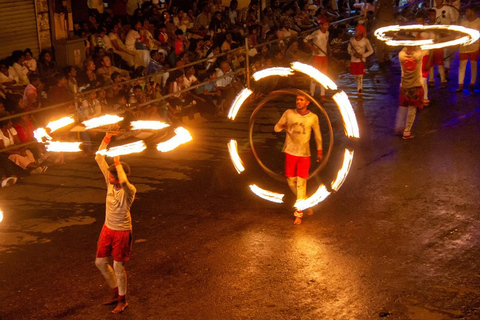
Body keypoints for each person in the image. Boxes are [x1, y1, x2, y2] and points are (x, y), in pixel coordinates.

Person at [95, 132, 136, 314]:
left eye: (112, 176)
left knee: (118, 267)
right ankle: (114, 292)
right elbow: (98, 157)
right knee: (100, 262)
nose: (109, 179)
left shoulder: (129, 190)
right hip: (107, 228)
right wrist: (107, 138)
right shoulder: (110, 182)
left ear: (118, 176)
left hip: (121, 231)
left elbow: (125, 181)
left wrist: (118, 163)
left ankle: (123, 299)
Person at [274, 93, 323, 225]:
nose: (298, 102)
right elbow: (276, 128)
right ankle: (305, 201)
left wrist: (319, 151)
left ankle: (298, 214)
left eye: (301, 100)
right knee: (291, 182)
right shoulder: (289, 113)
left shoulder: (313, 117)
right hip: (290, 152)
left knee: (301, 184)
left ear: (307, 102)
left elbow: (318, 135)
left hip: (304, 154)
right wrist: (284, 126)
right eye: (297, 99)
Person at [395, 46, 433, 140]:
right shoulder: (418, 55)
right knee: (412, 110)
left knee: (403, 107)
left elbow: (403, 49)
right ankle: (407, 131)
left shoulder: (401, 55)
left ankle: (399, 127)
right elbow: (424, 49)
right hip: (415, 87)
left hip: (404, 86)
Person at [304, 18, 330, 100]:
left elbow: (326, 42)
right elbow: (305, 39)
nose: (327, 26)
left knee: (324, 75)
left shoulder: (327, 33)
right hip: (316, 57)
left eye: (328, 25)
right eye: (325, 25)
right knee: (314, 75)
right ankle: (312, 94)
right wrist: (313, 48)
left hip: (324, 56)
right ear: (321, 26)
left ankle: (323, 95)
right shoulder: (316, 33)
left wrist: (329, 49)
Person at [457, 5, 480, 92]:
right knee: (462, 66)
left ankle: (472, 83)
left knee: (473, 65)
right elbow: (460, 33)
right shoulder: (463, 22)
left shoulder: (478, 22)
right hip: (464, 47)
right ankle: (460, 84)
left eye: (468, 11)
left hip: (474, 47)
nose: (466, 13)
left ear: (472, 12)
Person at [347, 24, 374, 97]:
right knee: (355, 76)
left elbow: (371, 50)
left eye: (357, 30)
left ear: (361, 32)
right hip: (353, 60)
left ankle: (359, 89)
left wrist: (362, 55)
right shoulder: (351, 40)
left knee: (360, 76)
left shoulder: (365, 40)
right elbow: (349, 49)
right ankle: (359, 86)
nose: (355, 32)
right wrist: (353, 54)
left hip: (361, 61)